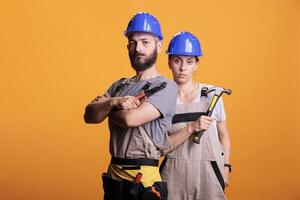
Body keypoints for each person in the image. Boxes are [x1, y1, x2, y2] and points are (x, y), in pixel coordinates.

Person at [84, 12, 178, 200]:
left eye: (145, 42)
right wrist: (114, 102)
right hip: (114, 175)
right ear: (128, 46)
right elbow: (89, 116)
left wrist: (106, 110)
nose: (138, 48)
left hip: (143, 179)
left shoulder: (166, 86)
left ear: (159, 46)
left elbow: (129, 119)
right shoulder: (119, 85)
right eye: (133, 43)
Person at [160, 32, 231, 200]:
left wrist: (226, 168)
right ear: (169, 62)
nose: (183, 68)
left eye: (189, 62)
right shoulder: (161, 99)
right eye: (177, 61)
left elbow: (224, 136)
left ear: (196, 65)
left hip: (209, 174)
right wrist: (192, 128)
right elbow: (160, 148)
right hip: (172, 175)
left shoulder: (213, 96)